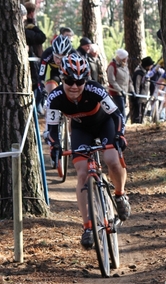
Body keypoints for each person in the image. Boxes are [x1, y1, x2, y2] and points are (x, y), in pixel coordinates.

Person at [44, 53, 131, 248]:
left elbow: (117, 115)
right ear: (62, 78)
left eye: (80, 81)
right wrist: (55, 146)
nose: (74, 86)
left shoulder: (95, 89)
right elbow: (51, 128)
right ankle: (88, 227)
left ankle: (120, 194)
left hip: (104, 124)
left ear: (86, 79)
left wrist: (119, 135)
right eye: (69, 80)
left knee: (111, 159)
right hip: (80, 130)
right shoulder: (55, 97)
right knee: (82, 173)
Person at [107, 49, 135, 120]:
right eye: (125, 57)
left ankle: (122, 126)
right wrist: (119, 90)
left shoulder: (125, 66)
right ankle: (120, 127)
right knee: (121, 112)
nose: (127, 59)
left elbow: (128, 80)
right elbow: (112, 80)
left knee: (123, 111)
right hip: (116, 93)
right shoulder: (112, 66)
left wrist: (132, 90)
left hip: (124, 93)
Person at [132, 56, 154, 123]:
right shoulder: (139, 73)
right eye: (150, 65)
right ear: (147, 65)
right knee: (138, 114)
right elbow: (137, 85)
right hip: (140, 98)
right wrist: (137, 96)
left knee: (144, 114)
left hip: (145, 96)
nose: (151, 67)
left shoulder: (146, 73)